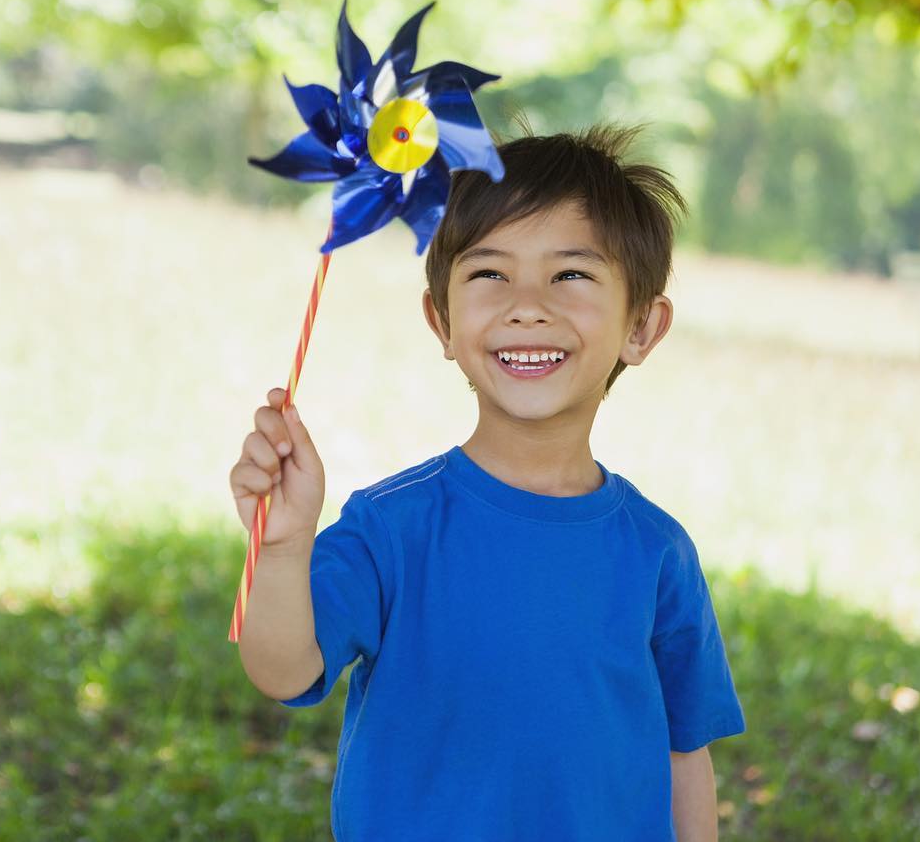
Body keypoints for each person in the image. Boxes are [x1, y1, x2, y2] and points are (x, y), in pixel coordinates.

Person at [229, 123, 746, 842]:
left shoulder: (657, 550)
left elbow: (683, 749)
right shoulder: (390, 528)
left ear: (641, 326)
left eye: (570, 274)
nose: (526, 304)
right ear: (441, 320)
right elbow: (284, 669)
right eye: (489, 272)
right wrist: (283, 547)